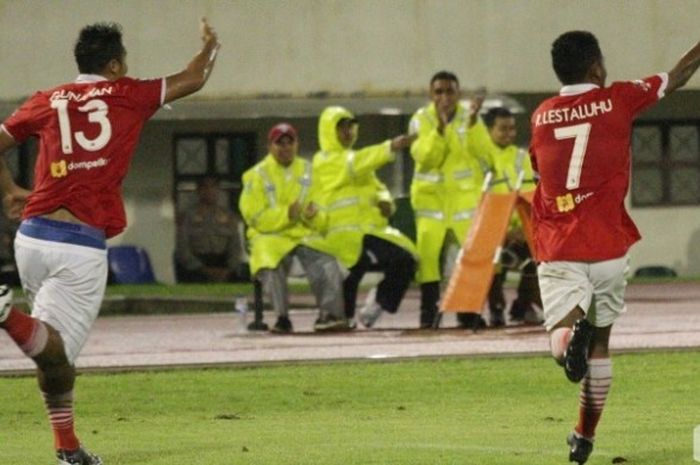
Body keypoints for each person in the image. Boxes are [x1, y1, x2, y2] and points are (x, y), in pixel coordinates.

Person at [0, 19, 220, 465]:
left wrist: (9, 191)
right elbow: (195, 77)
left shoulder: (47, 99)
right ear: (115, 64)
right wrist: (212, 47)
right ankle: (4, 312)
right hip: (79, 245)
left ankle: (67, 449)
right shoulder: (128, 94)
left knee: (50, 355)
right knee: (58, 354)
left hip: (32, 237)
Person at [530, 31, 700, 464]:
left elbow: (540, 174)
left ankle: (569, 340)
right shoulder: (619, 99)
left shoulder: (542, 116)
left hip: (561, 244)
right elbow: (677, 76)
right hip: (608, 247)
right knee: (601, 345)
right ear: (596, 68)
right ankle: (584, 437)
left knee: (560, 334)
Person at [312, 106, 417, 328]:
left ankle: (378, 301)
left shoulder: (357, 162)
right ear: (328, 131)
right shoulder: (324, 161)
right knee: (352, 270)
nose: (347, 132)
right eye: (341, 128)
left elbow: (377, 187)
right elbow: (356, 163)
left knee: (406, 260)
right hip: (340, 233)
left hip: (367, 231)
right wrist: (391, 146)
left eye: (350, 127)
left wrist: (386, 202)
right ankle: (340, 317)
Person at [239, 123, 349, 333]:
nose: (285, 147)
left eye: (290, 142)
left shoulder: (310, 172)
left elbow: (322, 211)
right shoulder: (256, 175)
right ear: (270, 146)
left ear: (297, 144)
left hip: (302, 235)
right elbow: (253, 215)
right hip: (270, 237)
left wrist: (313, 217)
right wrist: (285, 215)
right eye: (280, 143)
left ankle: (330, 316)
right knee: (271, 264)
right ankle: (282, 318)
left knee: (327, 262)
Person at [408, 71, 492, 329]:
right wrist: (440, 130)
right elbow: (426, 157)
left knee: (471, 257)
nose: (444, 97)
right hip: (431, 204)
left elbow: (485, 153)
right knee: (429, 259)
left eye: (450, 91)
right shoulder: (420, 120)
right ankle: (429, 314)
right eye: (439, 92)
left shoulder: (470, 117)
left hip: (463, 203)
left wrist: (475, 123)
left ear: (458, 94)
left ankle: (468, 312)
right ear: (431, 94)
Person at [482, 107, 541, 327]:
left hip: (520, 231)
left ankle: (521, 307)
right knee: (492, 261)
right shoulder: (482, 158)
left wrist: (523, 230)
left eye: (512, 129)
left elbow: (530, 197)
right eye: (502, 129)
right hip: (491, 232)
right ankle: (496, 309)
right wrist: (503, 230)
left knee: (537, 259)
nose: (509, 133)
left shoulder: (521, 157)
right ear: (488, 131)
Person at [175, 177, 248, 283]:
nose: (210, 191)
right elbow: (183, 248)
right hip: (197, 267)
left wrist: (229, 269)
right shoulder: (188, 217)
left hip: (223, 264)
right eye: (206, 188)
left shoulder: (228, 216)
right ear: (199, 191)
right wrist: (203, 269)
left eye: (214, 187)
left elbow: (235, 246)